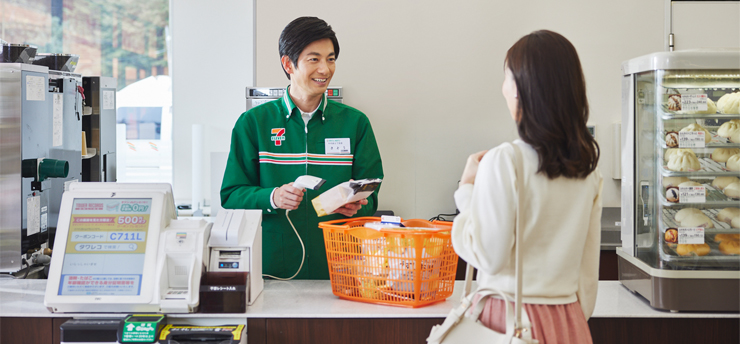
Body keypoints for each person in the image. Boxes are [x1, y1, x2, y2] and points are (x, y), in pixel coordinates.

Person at [451, 30, 602, 343]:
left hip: (508, 317)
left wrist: (467, 189)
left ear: (520, 88)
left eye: (506, 76)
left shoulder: (505, 160)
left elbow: (488, 256)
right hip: (568, 318)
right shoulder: (587, 168)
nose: (503, 86)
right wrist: (570, 319)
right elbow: (588, 270)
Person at [221, 17, 384, 280]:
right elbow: (231, 195)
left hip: (341, 269)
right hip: (273, 269)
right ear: (288, 64)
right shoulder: (254, 123)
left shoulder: (355, 123)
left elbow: (372, 193)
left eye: (331, 59)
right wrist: (272, 197)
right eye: (314, 59)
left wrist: (357, 206)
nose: (325, 69)